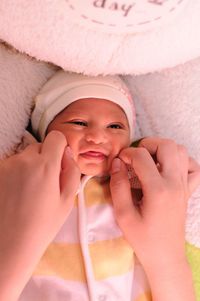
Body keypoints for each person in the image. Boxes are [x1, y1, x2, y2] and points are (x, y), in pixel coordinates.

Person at [0, 71, 199, 301]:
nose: (96, 136)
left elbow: (184, 175)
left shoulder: (135, 191)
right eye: (79, 122)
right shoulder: (25, 185)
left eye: (115, 127)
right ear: (45, 132)